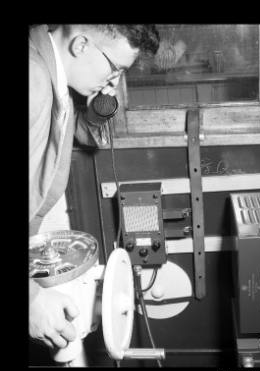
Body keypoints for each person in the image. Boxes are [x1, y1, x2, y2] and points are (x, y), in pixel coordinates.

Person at [29, 24, 160, 351]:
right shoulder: (32, 82)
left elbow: (83, 136)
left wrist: (99, 109)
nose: (116, 81)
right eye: (116, 69)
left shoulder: (57, 77)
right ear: (82, 44)